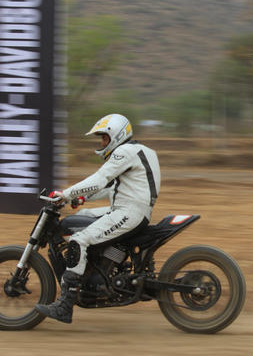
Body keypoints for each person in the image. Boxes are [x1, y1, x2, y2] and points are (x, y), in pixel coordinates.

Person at [35, 113, 161, 323]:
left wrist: (65, 194)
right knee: (82, 217)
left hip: (129, 212)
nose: (102, 142)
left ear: (116, 136)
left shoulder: (124, 152)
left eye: (104, 137)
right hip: (131, 210)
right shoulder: (140, 150)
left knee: (79, 240)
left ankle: (66, 306)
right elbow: (112, 186)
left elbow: (101, 179)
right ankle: (94, 269)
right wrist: (81, 196)